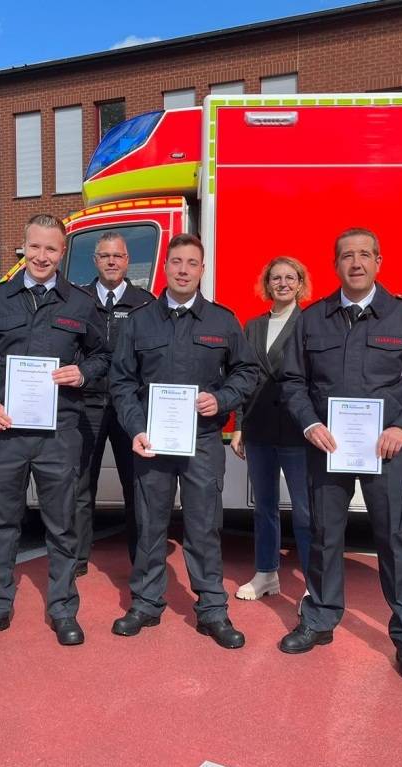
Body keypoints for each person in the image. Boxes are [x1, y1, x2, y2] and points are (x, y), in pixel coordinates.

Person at [280, 227, 402, 682]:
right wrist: (310, 423)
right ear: (335, 266)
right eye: (347, 256)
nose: (356, 263)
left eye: (364, 255)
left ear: (379, 261)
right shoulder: (313, 320)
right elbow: (292, 382)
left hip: (386, 450)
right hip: (327, 450)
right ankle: (319, 618)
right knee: (325, 535)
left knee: (394, 541)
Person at [0, 214, 109, 647]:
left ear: (63, 253)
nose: (42, 256)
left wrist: (81, 373)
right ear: (22, 247)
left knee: (62, 523)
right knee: (0, 520)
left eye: (51, 249)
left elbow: (103, 357)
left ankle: (63, 608)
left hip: (60, 430)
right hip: (5, 429)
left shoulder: (80, 303)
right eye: (35, 247)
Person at [109, 233, 259, 648]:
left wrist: (222, 399)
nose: (182, 270)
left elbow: (246, 373)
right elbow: (121, 381)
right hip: (152, 443)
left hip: (203, 442)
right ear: (165, 267)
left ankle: (212, 609)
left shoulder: (222, 321)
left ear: (202, 270)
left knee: (204, 527)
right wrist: (136, 428)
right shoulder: (140, 321)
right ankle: (145, 603)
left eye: (191, 263)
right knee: (149, 524)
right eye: (176, 262)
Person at [230, 257, 312, 602]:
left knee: (306, 510)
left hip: (297, 430)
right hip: (259, 428)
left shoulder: (310, 324)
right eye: (275, 278)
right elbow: (242, 376)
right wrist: (238, 425)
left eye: (289, 278)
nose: (282, 283)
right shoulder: (252, 326)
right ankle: (266, 574)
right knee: (264, 506)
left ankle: (314, 581)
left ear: (299, 283)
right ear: (267, 284)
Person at [75, 231, 153, 575]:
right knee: (80, 483)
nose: (111, 261)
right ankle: (77, 559)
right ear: (95, 261)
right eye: (104, 256)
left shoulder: (146, 303)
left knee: (136, 484)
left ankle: (140, 557)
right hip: (86, 404)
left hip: (129, 406)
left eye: (117, 256)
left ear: (127, 261)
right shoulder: (77, 301)